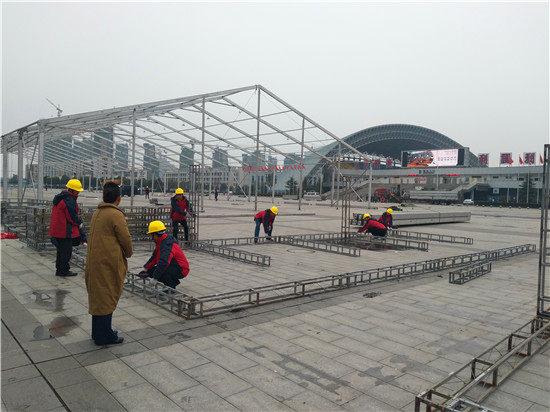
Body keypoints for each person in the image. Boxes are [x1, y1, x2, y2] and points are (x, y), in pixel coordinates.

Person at [85, 182, 133, 346]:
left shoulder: (97, 212)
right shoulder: (115, 214)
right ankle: (105, 336)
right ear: (118, 199)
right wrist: (128, 253)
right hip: (107, 262)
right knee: (107, 295)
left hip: (96, 260)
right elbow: (125, 238)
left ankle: (98, 332)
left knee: (98, 297)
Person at [49, 179, 85, 277]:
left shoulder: (61, 197)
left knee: (61, 251)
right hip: (64, 230)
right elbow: (71, 217)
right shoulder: (69, 200)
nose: (78, 193)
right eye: (77, 191)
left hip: (58, 229)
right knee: (66, 252)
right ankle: (64, 270)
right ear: (72, 190)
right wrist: (79, 222)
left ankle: (59, 269)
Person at [138, 221, 189, 289]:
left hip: (181, 269)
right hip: (172, 266)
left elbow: (164, 262)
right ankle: (173, 281)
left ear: (155, 234)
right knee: (151, 271)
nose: (151, 237)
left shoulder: (167, 245)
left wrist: (155, 278)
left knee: (162, 272)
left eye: (151, 235)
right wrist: (146, 269)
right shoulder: (161, 241)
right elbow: (154, 257)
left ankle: (170, 287)